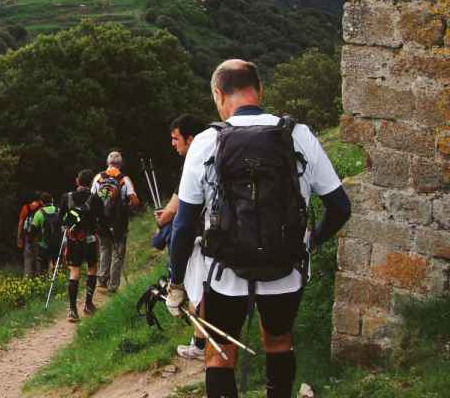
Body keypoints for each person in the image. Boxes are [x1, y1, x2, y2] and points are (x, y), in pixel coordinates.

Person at [166, 60, 352, 398]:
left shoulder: (206, 142)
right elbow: (341, 207)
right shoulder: (298, 135)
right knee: (279, 341)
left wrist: (176, 281)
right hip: (286, 266)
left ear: (218, 94)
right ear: (260, 90)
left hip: (224, 272)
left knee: (219, 354)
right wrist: (310, 242)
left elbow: (181, 225)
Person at [151, 114, 208, 360]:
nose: (173, 144)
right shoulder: (217, 153)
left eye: (176, 139)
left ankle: (201, 346)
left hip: (200, 239)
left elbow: (176, 210)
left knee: (198, 292)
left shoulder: (193, 163)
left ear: (190, 138)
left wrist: (162, 221)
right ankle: (203, 343)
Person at [91, 152, 140, 292]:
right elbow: (135, 201)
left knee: (104, 249)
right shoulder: (124, 179)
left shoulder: (98, 178)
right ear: (120, 164)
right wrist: (129, 208)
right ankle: (113, 287)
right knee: (117, 253)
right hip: (119, 223)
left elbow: (92, 199)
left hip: (101, 222)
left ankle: (101, 282)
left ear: (108, 163)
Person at [59, 169, 103, 322]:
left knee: (74, 272)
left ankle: (72, 310)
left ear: (77, 181)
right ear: (91, 183)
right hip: (90, 239)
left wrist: (67, 227)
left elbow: (61, 219)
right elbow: (101, 220)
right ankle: (88, 304)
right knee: (92, 269)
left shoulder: (67, 197)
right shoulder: (95, 199)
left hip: (73, 239)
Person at [30, 192, 61, 272]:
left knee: (43, 267)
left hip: (44, 244)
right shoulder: (58, 211)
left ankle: (44, 281)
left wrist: (31, 242)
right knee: (57, 266)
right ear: (52, 200)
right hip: (58, 243)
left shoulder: (39, 213)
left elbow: (33, 230)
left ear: (41, 202)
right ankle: (59, 280)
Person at [17, 193, 43, 277]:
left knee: (28, 258)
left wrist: (19, 238)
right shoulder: (41, 208)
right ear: (39, 199)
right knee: (38, 258)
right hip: (39, 237)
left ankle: (27, 277)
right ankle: (39, 277)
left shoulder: (26, 207)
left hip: (28, 236)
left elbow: (21, 223)